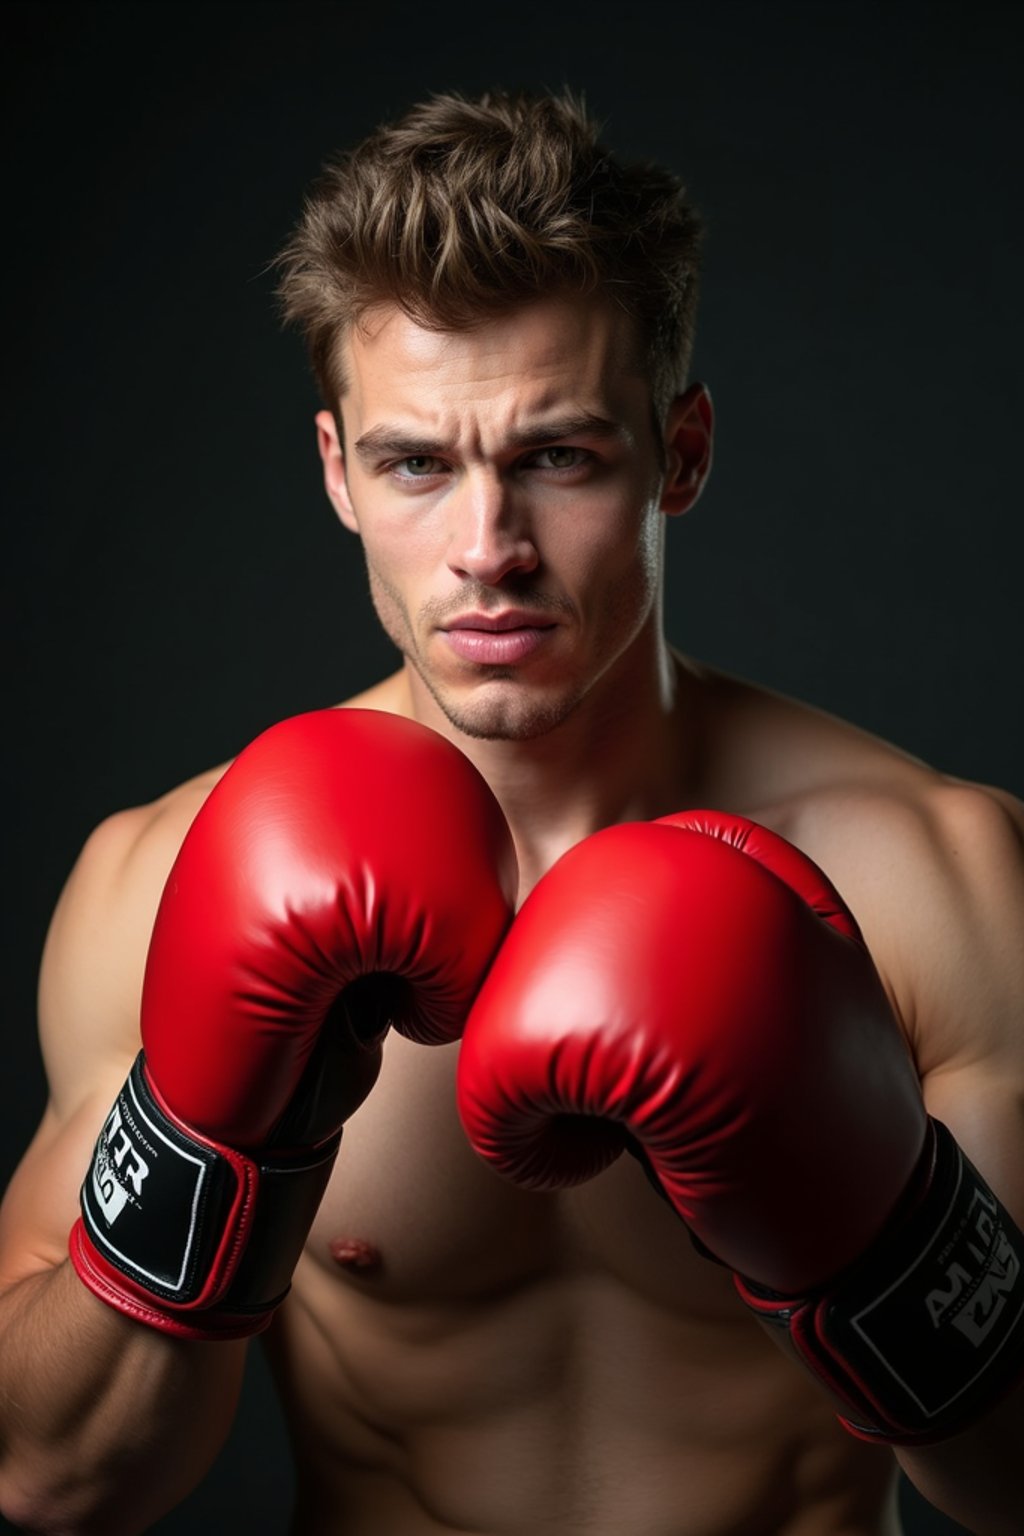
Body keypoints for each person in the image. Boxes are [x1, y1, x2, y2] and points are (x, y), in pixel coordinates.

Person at [1, 88, 1022, 1536]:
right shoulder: (159, 879)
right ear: (338, 473)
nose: (488, 551)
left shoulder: (935, 880)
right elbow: (53, 1477)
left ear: (682, 452)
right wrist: (208, 1147)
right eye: (418, 463)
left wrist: (875, 1226)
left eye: (559, 457)